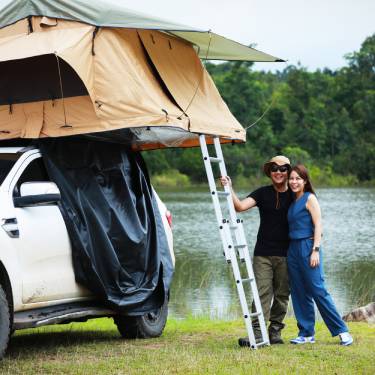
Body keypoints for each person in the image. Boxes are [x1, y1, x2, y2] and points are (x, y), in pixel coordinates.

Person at [220, 155, 292, 345]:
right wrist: (229, 188)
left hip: (287, 254)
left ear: (288, 172)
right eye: (274, 168)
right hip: (263, 254)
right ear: (269, 172)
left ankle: (275, 331)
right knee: (261, 293)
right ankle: (257, 333)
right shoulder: (262, 193)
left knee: (282, 294)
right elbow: (240, 207)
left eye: (283, 169)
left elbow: (310, 211)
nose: (278, 172)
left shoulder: (296, 194)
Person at [287, 164, 353, 346]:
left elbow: (319, 226)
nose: (294, 182)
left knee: (318, 290)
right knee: (299, 292)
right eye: (291, 178)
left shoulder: (310, 198)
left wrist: (315, 250)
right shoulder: (292, 201)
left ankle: (342, 331)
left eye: (297, 178)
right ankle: (306, 333)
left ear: (305, 181)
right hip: (293, 249)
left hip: (308, 246)